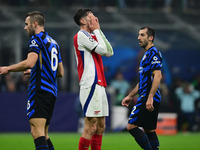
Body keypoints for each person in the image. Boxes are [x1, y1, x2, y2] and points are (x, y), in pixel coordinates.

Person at [0, 11, 64, 150]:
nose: (25, 27)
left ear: (35, 24)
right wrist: (37, 71)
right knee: (44, 134)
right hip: (51, 92)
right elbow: (60, 72)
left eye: (26, 24)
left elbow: (30, 62)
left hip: (40, 90)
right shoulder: (54, 43)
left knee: (37, 132)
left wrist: (8, 68)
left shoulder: (36, 39)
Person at [73, 9, 114, 150]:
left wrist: (98, 30)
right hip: (90, 83)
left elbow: (109, 51)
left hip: (100, 84)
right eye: (92, 17)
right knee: (91, 127)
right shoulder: (81, 35)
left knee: (100, 126)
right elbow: (103, 51)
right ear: (83, 21)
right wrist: (97, 30)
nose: (95, 19)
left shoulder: (92, 35)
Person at [122, 27, 162, 150]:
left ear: (151, 38)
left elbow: (158, 76)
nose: (139, 38)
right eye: (139, 35)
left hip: (147, 97)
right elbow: (143, 81)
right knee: (148, 129)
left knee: (131, 126)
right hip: (147, 96)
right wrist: (130, 96)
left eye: (142, 35)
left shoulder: (153, 53)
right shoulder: (146, 55)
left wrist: (150, 97)